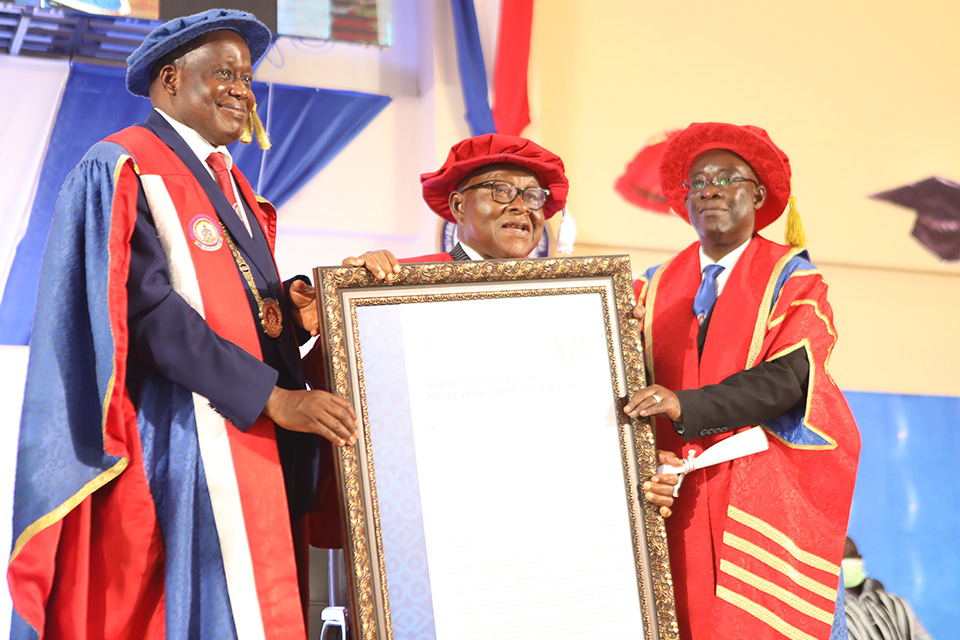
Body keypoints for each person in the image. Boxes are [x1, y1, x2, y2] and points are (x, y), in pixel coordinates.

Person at [8, 10, 359, 639]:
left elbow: (240, 309)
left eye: (247, 79)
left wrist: (296, 316)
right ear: (169, 79)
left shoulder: (235, 188)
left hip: (245, 434)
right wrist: (273, 397)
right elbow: (143, 309)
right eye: (224, 73)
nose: (241, 91)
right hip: (183, 441)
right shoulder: (124, 164)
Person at [622, 122, 861, 640]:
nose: (708, 189)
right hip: (672, 493)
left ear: (757, 194)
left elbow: (788, 380)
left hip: (757, 486)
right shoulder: (650, 286)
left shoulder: (792, 278)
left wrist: (684, 405)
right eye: (697, 181)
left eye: (726, 178)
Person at [342, 132, 569, 277]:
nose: (522, 207)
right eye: (500, 190)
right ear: (459, 206)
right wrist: (363, 282)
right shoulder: (401, 281)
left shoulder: (567, 294)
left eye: (532, 196)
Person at [843, 537, 933, 640]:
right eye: (841, 558)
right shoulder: (831, 613)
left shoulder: (894, 603)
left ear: (860, 559)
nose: (845, 562)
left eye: (850, 555)